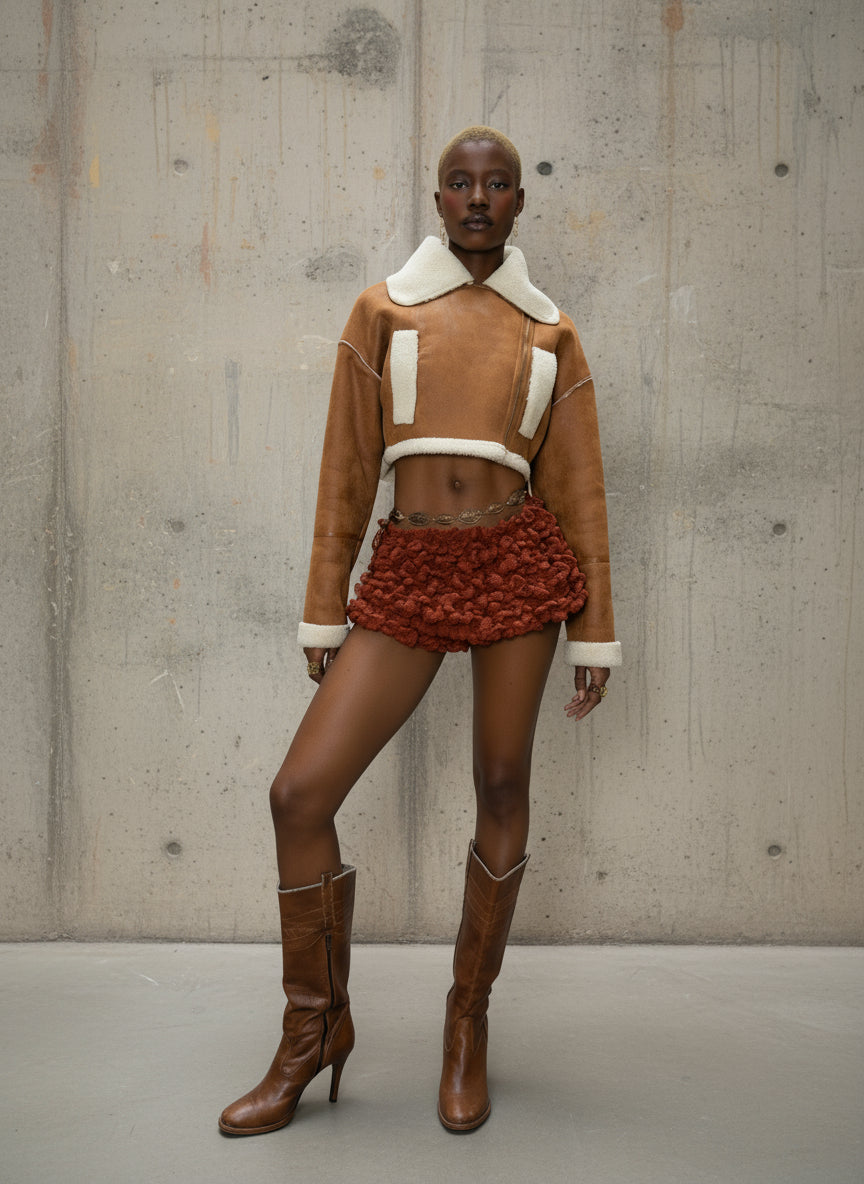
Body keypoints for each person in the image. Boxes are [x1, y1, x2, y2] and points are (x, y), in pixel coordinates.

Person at [218, 126, 621, 1137]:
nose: (478, 199)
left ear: (519, 204)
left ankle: (466, 1021)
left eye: (497, 185)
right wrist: (325, 602)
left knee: (499, 786)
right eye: (459, 183)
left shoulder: (550, 332)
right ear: (436, 199)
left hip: (518, 566)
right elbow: (346, 469)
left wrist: (594, 631)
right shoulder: (382, 311)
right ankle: (314, 1029)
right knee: (299, 792)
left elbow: (580, 489)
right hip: (408, 568)